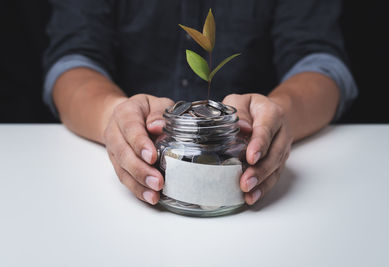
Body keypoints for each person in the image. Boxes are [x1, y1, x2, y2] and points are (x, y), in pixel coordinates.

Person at [43, 0, 357, 206]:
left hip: (242, 157)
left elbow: (320, 63)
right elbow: (73, 59)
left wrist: (278, 114)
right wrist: (113, 116)